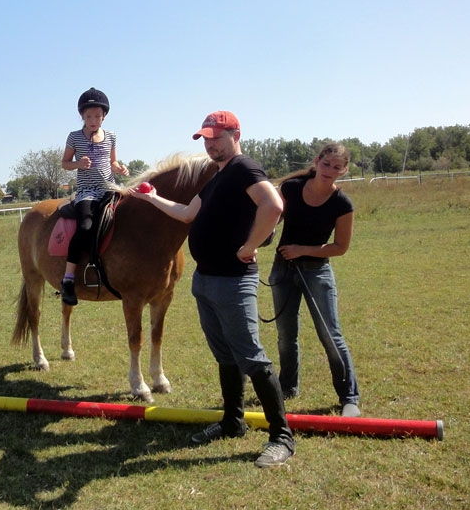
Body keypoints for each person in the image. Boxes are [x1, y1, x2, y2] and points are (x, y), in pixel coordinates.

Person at [130, 111, 295, 468]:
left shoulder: (243, 169)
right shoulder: (217, 177)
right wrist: (153, 199)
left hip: (234, 281)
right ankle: (232, 420)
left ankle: (281, 435)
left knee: (251, 355)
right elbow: (188, 214)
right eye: (205, 139)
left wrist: (251, 245)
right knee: (225, 354)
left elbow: (274, 205)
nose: (209, 144)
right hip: (206, 280)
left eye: (215, 138)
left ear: (236, 135)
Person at [269, 141, 362, 417]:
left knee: (330, 334)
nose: (330, 170)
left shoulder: (342, 204)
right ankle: (287, 387)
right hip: (282, 269)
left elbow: (340, 247)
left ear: (344, 171)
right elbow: (272, 220)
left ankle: (349, 398)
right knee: (286, 334)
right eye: (326, 164)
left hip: (317, 271)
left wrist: (303, 250)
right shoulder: (291, 188)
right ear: (316, 161)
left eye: (337, 167)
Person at [59, 87, 130, 306]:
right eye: (89, 116)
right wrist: (78, 164)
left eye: (97, 116)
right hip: (87, 192)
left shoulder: (111, 136)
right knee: (86, 226)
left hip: (110, 188)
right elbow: (65, 163)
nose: (93, 120)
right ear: (82, 115)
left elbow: (113, 162)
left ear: (104, 116)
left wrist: (119, 169)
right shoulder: (74, 137)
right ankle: (69, 279)